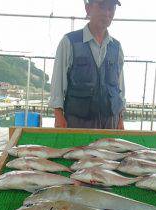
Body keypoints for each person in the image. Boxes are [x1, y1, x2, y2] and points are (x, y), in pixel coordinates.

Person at [49, 0, 126, 129]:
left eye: (111, 8)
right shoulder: (69, 42)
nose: (107, 13)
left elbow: (120, 86)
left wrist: (120, 118)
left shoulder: (116, 47)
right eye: (101, 6)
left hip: (110, 121)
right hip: (77, 121)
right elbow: (58, 82)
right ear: (88, 8)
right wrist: (58, 116)